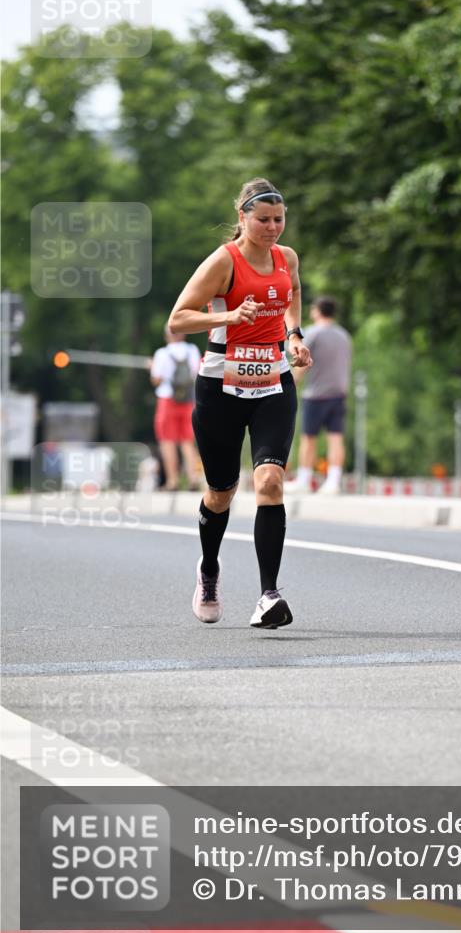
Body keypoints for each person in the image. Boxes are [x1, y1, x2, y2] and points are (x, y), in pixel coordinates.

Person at [167, 177, 312, 628]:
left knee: (269, 480)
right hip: (221, 387)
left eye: (279, 220)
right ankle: (209, 570)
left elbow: (293, 294)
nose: (272, 228)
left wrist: (294, 336)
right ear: (242, 218)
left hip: (273, 381)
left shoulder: (286, 258)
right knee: (221, 493)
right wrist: (230, 314)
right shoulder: (223, 262)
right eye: (263, 219)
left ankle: (269, 595)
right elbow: (178, 319)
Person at [289, 296, 352, 494]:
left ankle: (304, 479)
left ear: (317, 311)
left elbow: (302, 361)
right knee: (336, 438)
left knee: (308, 439)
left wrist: (293, 381)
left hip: (315, 394)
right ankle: (333, 481)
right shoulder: (344, 336)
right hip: (338, 392)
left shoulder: (312, 333)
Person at [150, 326, 202, 490]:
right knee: (187, 441)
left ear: (167, 335)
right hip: (188, 400)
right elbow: (197, 373)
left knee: (167, 441)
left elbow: (156, 380)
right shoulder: (192, 350)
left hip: (167, 399)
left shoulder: (162, 353)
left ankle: (173, 481)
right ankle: (193, 478)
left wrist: (151, 367)